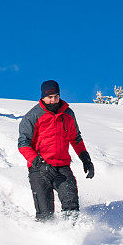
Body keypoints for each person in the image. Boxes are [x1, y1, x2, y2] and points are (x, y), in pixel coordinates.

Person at [17, 80, 95, 221]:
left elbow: (76, 139)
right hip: (39, 169)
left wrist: (86, 160)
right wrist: (39, 163)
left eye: (56, 96)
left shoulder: (68, 114)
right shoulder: (33, 116)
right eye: (50, 97)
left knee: (71, 206)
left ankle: (73, 235)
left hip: (62, 167)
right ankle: (46, 239)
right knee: (45, 215)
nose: (53, 100)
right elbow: (23, 144)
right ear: (43, 97)